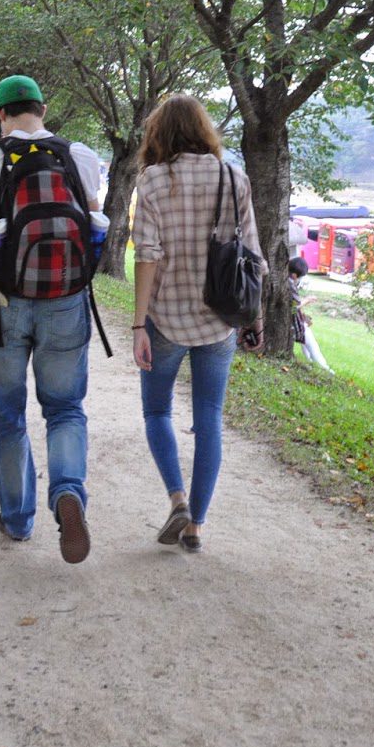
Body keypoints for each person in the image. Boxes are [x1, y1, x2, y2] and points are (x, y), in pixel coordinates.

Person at [0, 76, 103, 563]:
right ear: (43, 107)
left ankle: (17, 517)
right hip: (66, 298)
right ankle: (68, 493)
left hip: (3, 302)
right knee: (64, 409)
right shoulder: (79, 155)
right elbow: (93, 215)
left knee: (8, 415)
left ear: (0, 115)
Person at [131, 94, 265, 554]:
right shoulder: (234, 177)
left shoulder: (151, 182)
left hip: (165, 318)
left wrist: (137, 325)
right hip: (219, 321)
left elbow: (147, 257)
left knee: (156, 412)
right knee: (209, 418)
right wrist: (256, 317)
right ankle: (196, 527)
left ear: (159, 134)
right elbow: (253, 256)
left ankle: (177, 499)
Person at [288, 257, 332, 373]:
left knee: (306, 342)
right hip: (294, 324)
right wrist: (307, 300)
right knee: (312, 344)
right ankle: (324, 368)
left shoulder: (287, 282)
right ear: (294, 275)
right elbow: (294, 306)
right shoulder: (290, 285)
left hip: (295, 320)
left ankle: (310, 361)